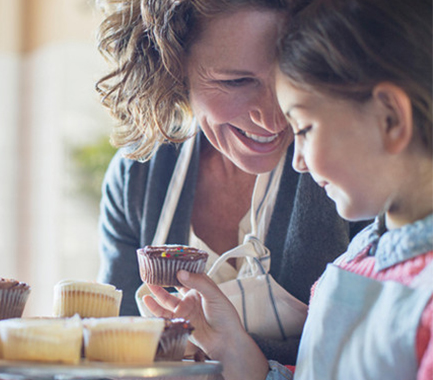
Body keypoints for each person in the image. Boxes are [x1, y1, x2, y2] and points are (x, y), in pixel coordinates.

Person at [145, 0, 433, 378]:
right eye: (236, 81)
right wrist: (229, 343)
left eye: (305, 128)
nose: (296, 160)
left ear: (390, 119)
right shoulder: (359, 257)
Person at [95, 0, 368, 364]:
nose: (272, 118)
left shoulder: (351, 173)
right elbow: (116, 348)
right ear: (173, 67)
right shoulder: (138, 178)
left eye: (289, 76)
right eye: (236, 81)